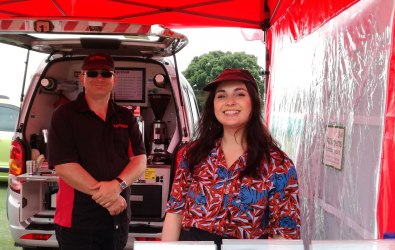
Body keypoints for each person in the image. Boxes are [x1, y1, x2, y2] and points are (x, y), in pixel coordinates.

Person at [161, 69, 300, 248]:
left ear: (254, 103)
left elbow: (286, 232)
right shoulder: (193, 153)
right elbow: (175, 212)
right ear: (213, 105)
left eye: (240, 94)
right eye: (221, 96)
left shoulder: (278, 163)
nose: (230, 102)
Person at [47, 52, 147, 250]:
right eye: (92, 73)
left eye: (105, 73)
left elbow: (139, 160)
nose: (99, 78)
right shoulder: (64, 115)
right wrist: (108, 197)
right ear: (82, 77)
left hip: (116, 218)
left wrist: (117, 187)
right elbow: (64, 166)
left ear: (114, 79)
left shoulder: (125, 117)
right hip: (77, 221)